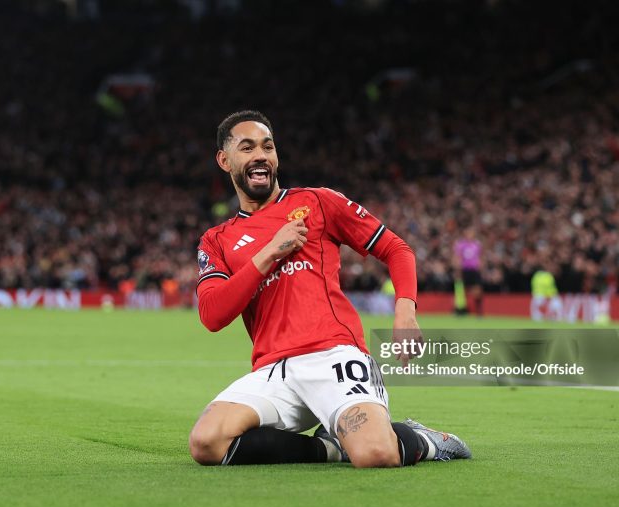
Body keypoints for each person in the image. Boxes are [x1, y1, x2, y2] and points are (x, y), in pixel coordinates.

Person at [189, 110, 471, 467]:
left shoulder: (318, 202)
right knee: (206, 443)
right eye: (247, 148)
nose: (260, 155)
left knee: (375, 455)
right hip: (275, 370)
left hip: (335, 356)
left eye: (268, 146)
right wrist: (269, 253)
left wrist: (405, 309)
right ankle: (330, 447)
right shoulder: (216, 240)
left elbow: (396, 249)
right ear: (224, 160)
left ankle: (426, 440)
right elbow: (213, 315)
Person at [453, 228, 483, 316]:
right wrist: (458, 269)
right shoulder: (461, 245)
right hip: (464, 270)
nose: (469, 235)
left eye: (471, 234)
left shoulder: (477, 245)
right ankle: (461, 310)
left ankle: (479, 310)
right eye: (467, 234)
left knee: (477, 290)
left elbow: (480, 257)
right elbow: (457, 257)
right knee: (463, 291)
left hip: (474, 270)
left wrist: (480, 267)